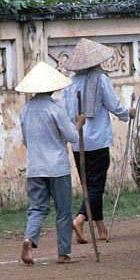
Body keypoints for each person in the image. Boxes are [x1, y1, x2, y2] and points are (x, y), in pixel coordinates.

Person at [62, 38, 136, 244]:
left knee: (89, 186)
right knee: (96, 186)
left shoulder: (69, 82)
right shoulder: (101, 79)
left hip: (77, 140)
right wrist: (127, 113)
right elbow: (113, 104)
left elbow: (66, 113)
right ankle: (80, 219)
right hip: (98, 141)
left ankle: (100, 226)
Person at [16, 62, 81, 265]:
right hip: (57, 167)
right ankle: (63, 253)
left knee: (37, 208)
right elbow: (73, 137)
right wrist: (79, 123)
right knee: (63, 210)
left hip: (35, 167)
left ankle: (29, 238)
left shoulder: (25, 109)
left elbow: (26, 140)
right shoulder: (56, 109)